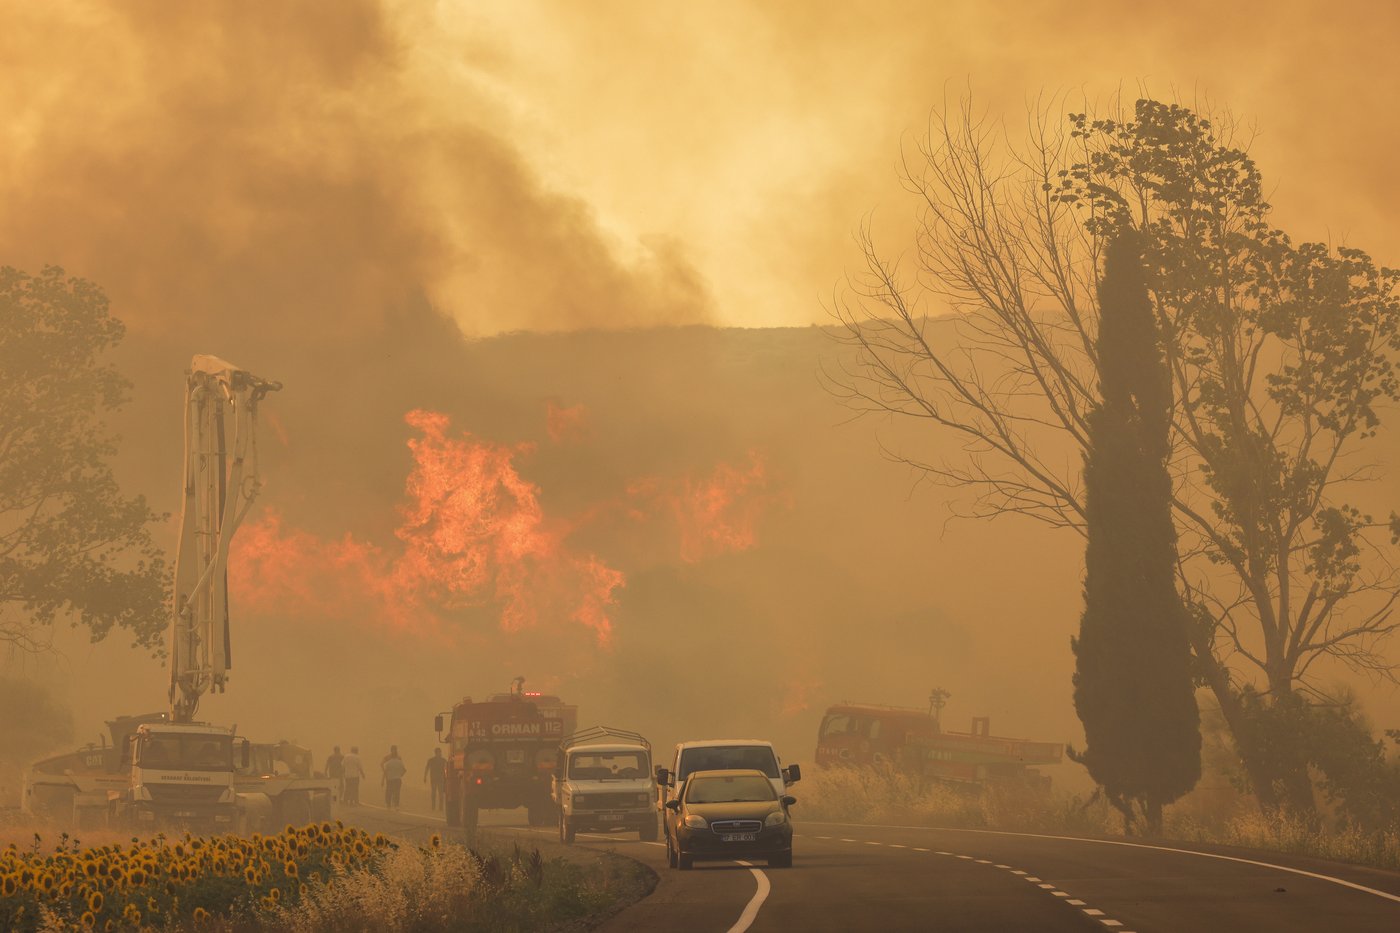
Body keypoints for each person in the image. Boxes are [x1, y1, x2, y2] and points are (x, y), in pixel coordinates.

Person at [382, 745, 407, 810]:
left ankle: (392, 804)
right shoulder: (388, 757)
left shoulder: (396, 758)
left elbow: (382, 765)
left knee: (392, 791)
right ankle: (392, 804)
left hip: (392, 778)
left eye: (394, 749)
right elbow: (381, 764)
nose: (394, 750)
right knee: (393, 791)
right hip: (392, 777)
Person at [424, 748, 447, 812]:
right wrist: (425, 777)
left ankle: (440, 808)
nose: (439, 754)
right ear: (435, 753)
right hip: (434, 779)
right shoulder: (431, 760)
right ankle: (433, 807)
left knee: (441, 794)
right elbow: (427, 768)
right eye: (438, 752)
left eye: (439, 752)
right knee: (434, 793)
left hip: (440, 779)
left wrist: (446, 777)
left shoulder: (443, 760)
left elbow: (446, 770)